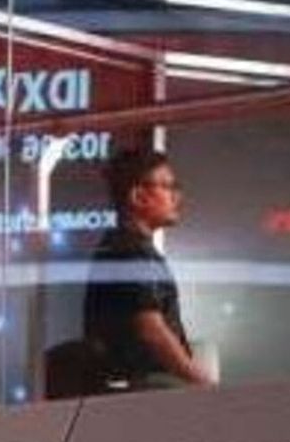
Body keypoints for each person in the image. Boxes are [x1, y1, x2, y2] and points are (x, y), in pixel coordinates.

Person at [82, 147, 213, 389]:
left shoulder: (125, 247)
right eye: (168, 187)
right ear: (138, 196)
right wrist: (201, 382)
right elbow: (151, 331)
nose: (177, 197)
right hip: (147, 391)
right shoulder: (130, 251)